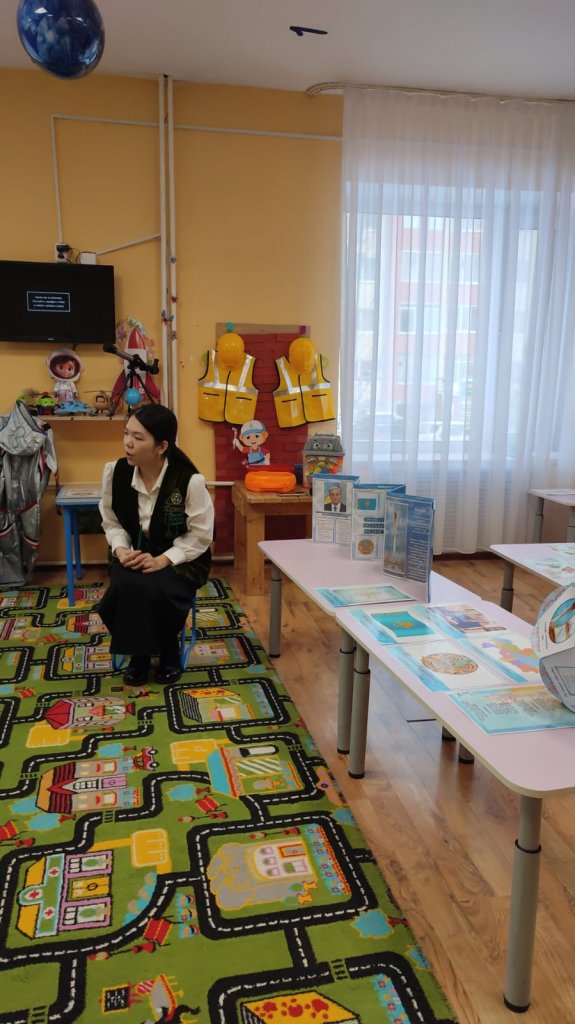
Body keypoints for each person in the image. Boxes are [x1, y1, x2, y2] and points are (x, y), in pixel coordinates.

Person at [97, 403, 214, 686]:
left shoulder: (188, 481)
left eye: (138, 437)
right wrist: (121, 550)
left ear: (161, 446)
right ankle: (139, 653)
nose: (128, 443)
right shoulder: (115, 472)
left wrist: (163, 560)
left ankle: (167, 649)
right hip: (132, 551)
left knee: (155, 587)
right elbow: (111, 522)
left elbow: (200, 535)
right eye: (126, 433)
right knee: (125, 585)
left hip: (182, 557)